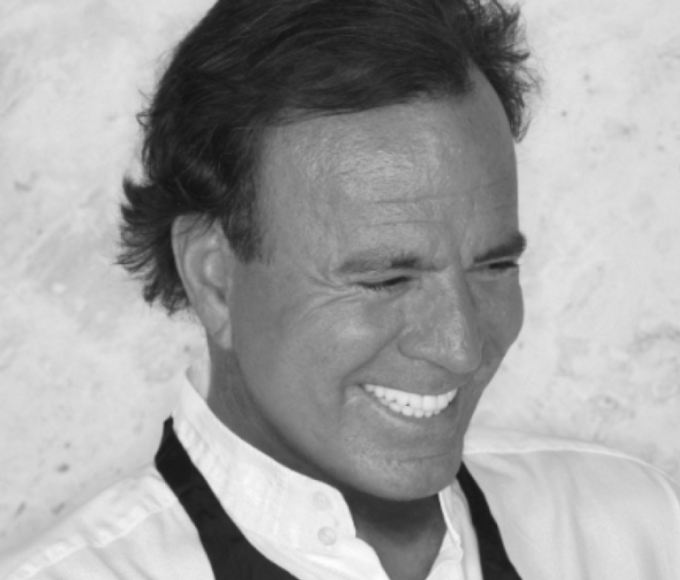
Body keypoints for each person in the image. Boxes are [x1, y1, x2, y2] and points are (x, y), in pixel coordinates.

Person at [2, 0, 679, 579]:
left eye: (493, 267)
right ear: (214, 278)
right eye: (387, 279)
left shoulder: (634, 535)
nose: (462, 346)